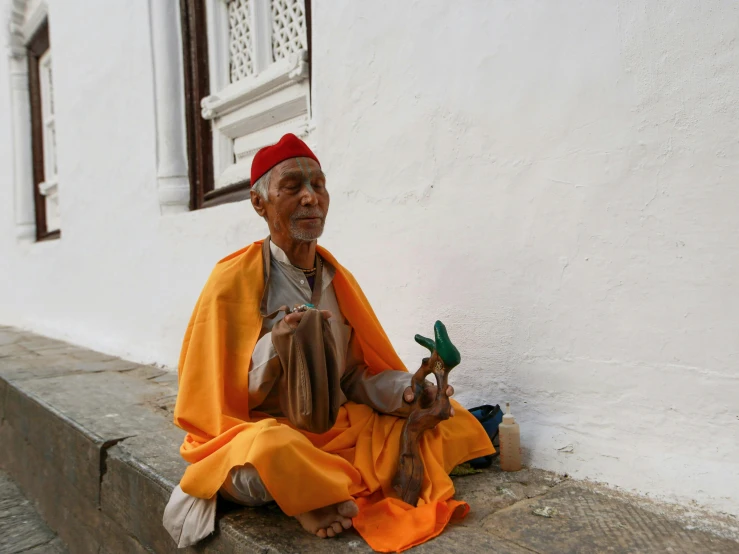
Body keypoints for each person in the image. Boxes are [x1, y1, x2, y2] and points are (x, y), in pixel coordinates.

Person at [162, 134, 494, 552]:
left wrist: (408, 392)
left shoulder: (337, 279)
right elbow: (214, 401)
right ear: (259, 204)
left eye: (318, 186)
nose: (309, 199)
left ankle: (315, 489)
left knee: (451, 418)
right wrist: (277, 348)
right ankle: (306, 495)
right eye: (292, 187)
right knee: (270, 451)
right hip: (261, 430)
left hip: (335, 432)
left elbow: (354, 376)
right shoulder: (230, 281)